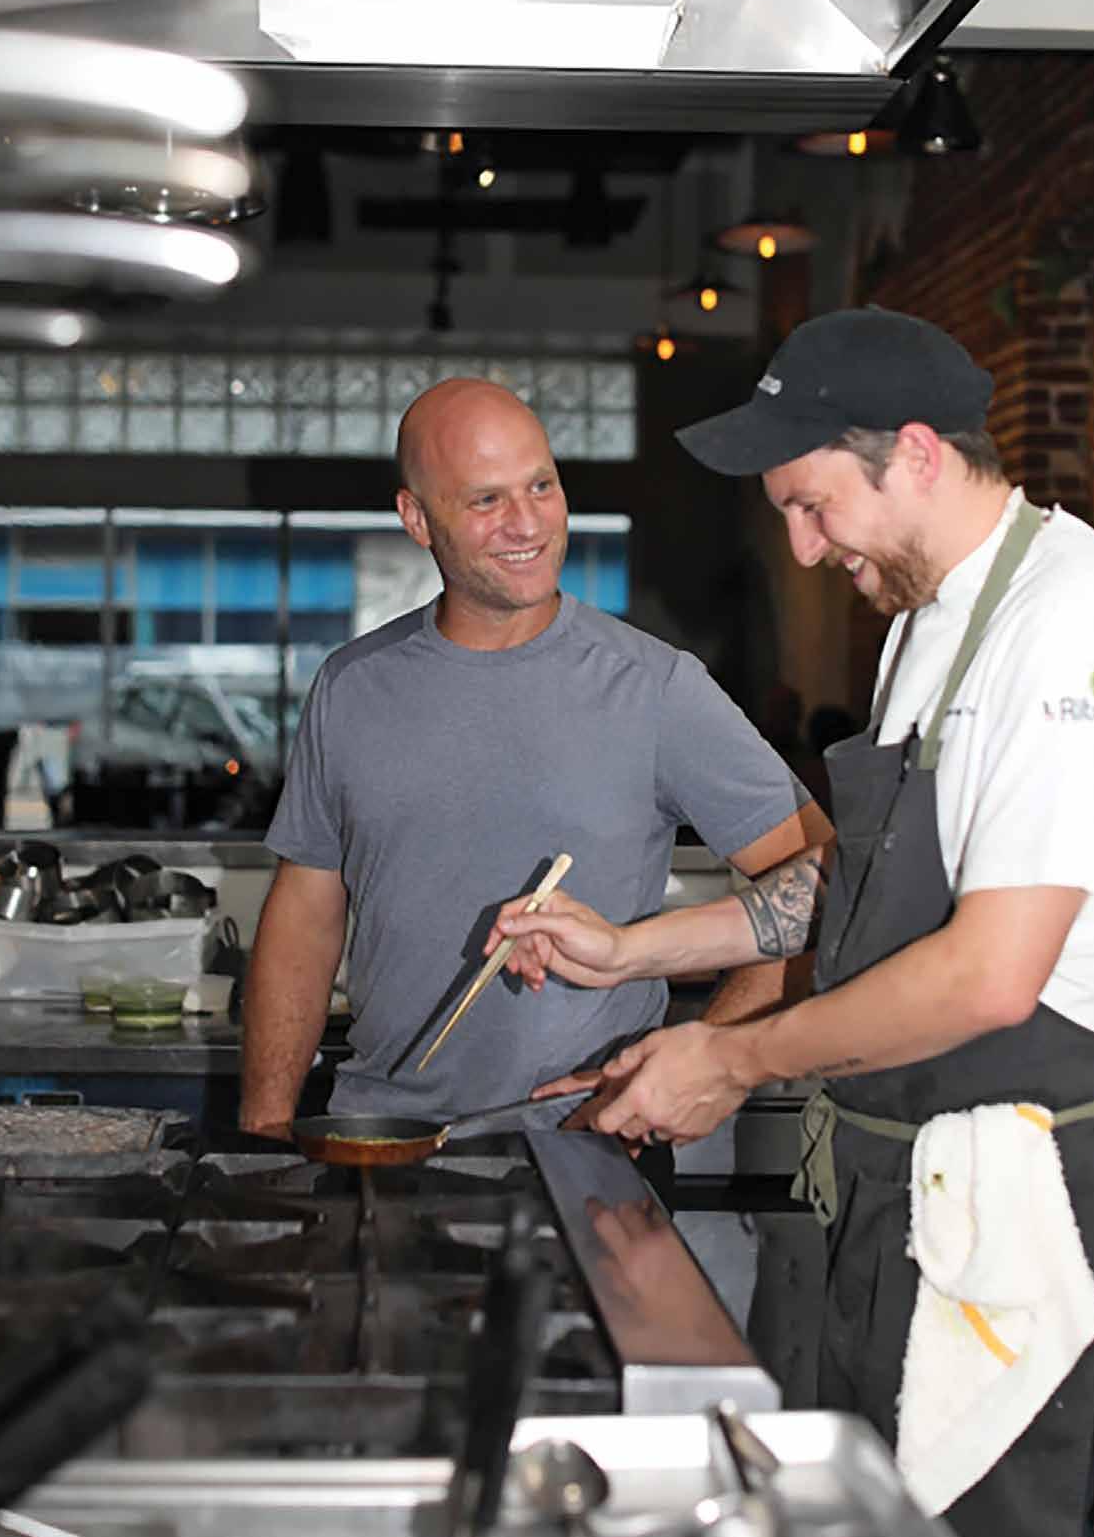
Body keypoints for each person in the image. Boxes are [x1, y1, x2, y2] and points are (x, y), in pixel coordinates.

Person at [491, 308, 1094, 1537]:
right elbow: (852, 889)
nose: (801, 545)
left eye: (812, 505)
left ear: (917, 453)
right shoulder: (925, 622)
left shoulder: (1077, 621)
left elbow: (991, 971)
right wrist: (632, 951)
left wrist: (732, 1059)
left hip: (1019, 1189)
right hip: (901, 1173)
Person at [239, 376, 831, 1145]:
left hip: (585, 1142)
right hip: (378, 1134)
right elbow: (305, 913)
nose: (527, 523)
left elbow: (825, 884)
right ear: (416, 518)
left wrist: (705, 1057)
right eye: (486, 500)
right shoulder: (351, 685)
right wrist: (265, 1121)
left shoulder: (654, 686)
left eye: (541, 486)